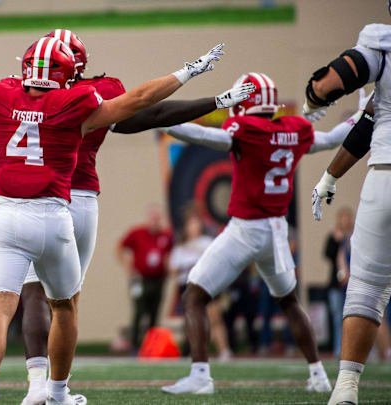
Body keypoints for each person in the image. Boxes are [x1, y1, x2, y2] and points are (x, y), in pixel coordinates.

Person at [0, 29, 253, 405]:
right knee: (64, 304)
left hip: (7, 211)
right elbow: (143, 103)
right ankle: (56, 391)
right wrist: (194, 76)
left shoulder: (2, 95)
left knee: (1, 306)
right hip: (63, 209)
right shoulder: (81, 101)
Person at [158, 71, 363, 395]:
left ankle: (200, 376)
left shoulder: (247, 130)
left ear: (246, 103)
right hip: (277, 231)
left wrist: (163, 122)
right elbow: (332, 138)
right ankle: (318, 375)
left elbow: (203, 137)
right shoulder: (293, 130)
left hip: (245, 229)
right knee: (289, 302)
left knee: (194, 295)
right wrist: (358, 118)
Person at [307, 13, 391, 403]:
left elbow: (332, 82)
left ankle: (346, 388)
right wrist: (330, 175)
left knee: (367, 287)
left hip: (385, 176)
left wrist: (312, 95)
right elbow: (368, 121)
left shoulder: (381, 43)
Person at [168, 208, 231, 361]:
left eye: (195, 223)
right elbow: (172, 269)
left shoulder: (206, 242)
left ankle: (224, 351)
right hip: (187, 285)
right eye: (190, 224)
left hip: (206, 283)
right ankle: (196, 352)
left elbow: (216, 261)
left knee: (214, 318)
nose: (192, 227)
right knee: (193, 320)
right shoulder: (181, 247)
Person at [117, 206, 174, 349]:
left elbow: (171, 254)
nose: (155, 222)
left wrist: (168, 269)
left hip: (158, 279)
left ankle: (152, 345)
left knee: (155, 312)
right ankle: (135, 345)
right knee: (139, 310)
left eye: (157, 219)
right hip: (140, 280)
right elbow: (121, 247)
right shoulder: (137, 233)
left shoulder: (165, 235)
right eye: (152, 219)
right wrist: (128, 268)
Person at [324, 207, 354, 357]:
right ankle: (338, 349)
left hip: (353, 283)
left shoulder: (355, 237)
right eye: (343, 217)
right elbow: (327, 255)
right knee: (337, 317)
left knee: (354, 317)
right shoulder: (334, 236)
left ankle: (356, 350)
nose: (345, 220)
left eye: (348, 217)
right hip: (336, 284)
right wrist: (337, 242)